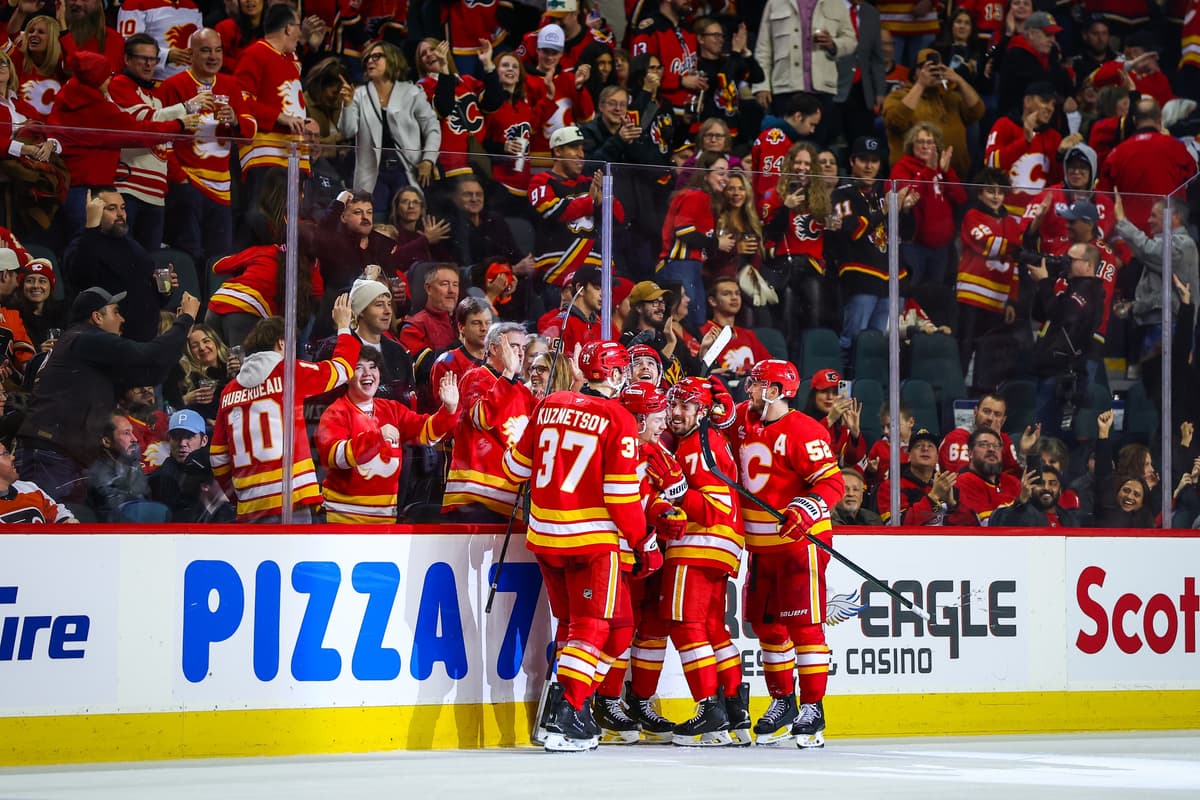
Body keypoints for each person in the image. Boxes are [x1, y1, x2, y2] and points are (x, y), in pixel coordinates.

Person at [501, 341, 647, 752]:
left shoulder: (548, 404)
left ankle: (563, 711)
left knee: (599, 627)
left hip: (545, 538)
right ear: (616, 375)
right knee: (592, 627)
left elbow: (513, 468)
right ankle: (569, 712)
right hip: (591, 542)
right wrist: (643, 541)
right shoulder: (618, 417)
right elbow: (621, 496)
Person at [730, 358, 844, 748]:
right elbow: (720, 422)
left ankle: (813, 707)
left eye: (757, 384)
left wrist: (807, 508)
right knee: (766, 627)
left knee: (804, 626)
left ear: (776, 392)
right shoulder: (745, 418)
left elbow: (832, 484)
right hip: (762, 548)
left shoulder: (804, 430)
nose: (749, 389)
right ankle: (784, 702)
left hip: (800, 545)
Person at [15, 287, 198, 504]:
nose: (122, 319)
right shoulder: (85, 339)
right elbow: (148, 356)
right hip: (49, 455)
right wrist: (185, 318)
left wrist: (181, 333)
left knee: (64, 531)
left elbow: (151, 371)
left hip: (61, 456)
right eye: (116, 311)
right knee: (43, 531)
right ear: (97, 317)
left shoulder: (86, 348)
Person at [210, 295, 360, 522]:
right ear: (282, 343)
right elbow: (342, 369)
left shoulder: (229, 391)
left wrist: (240, 497)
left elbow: (218, 458)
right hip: (292, 501)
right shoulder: (289, 372)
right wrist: (343, 327)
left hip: (250, 506)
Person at [656, 376, 747, 745]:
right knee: (712, 628)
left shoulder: (696, 445)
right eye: (673, 403)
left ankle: (709, 710)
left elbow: (714, 505)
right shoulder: (709, 440)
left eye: (686, 405)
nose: (676, 412)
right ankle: (734, 707)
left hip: (698, 544)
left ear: (703, 411)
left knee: (684, 624)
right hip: (722, 546)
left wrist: (676, 492)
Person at [47, 50, 198, 236]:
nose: (111, 80)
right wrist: (179, 124)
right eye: (107, 76)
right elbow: (138, 133)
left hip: (73, 186)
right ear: (96, 80)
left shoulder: (72, 93)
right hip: (85, 191)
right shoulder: (94, 108)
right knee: (87, 247)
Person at [316, 348, 459, 524]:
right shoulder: (336, 413)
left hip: (385, 520)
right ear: (347, 376)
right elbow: (335, 457)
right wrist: (376, 438)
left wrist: (448, 410)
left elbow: (426, 433)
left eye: (373, 367)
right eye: (359, 367)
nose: (368, 373)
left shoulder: (392, 409)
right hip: (342, 519)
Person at [158, 27, 256, 272]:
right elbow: (161, 137)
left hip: (222, 188)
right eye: (205, 51)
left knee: (219, 260)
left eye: (218, 50)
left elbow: (250, 131)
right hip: (188, 184)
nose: (213, 56)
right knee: (187, 256)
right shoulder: (173, 85)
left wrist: (235, 119)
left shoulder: (230, 85)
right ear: (190, 54)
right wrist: (179, 180)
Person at [442, 322, 534, 523]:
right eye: (514, 346)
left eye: (523, 348)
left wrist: (576, 385)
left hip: (510, 504)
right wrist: (508, 374)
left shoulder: (523, 392)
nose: (520, 353)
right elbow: (482, 418)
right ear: (493, 348)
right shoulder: (475, 377)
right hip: (474, 499)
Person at [61, 188, 177, 343]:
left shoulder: (133, 246)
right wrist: (91, 227)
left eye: (122, 208)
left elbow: (147, 296)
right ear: (94, 212)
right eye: (111, 208)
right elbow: (81, 277)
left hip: (144, 341)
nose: (120, 214)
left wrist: (163, 290)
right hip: (108, 343)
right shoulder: (82, 245)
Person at [339, 41, 440, 213]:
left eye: (377, 56)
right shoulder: (359, 95)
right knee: (375, 222)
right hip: (373, 173)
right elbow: (347, 131)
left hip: (405, 169)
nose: (370, 61)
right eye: (368, 58)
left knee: (408, 220)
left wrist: (428, 160)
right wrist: (348, 104)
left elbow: (432, 128)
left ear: (392, 60)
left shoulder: (412, 92)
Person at [528, 124, 622, 303]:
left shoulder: (590, 182)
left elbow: (620, 219)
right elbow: (553, 210)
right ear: (557, 151)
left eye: (582, 149)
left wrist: (601, 199)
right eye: (573, 147)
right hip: (559, 276)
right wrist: (590, 200)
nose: (581, 154)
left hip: (597, 277)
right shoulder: (541, 180)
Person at [234, 4, 317, 197]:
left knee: (291, 222)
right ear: (288, 28)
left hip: (294, 152)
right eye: (298, 26)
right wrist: (279, 117)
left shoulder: (291, 59)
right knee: (264, 218)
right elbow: (240, 100)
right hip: (266, 152)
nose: (300, 33)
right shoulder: (255, 54)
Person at [954, 168, 1028, 381]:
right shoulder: (972, 216)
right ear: (979, 193)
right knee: (964, 346)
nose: (996, 196)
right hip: (970, 294)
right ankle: (958, 390)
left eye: (1000, 192)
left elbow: (1013, 264)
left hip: (997, 299)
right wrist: (1013, 247)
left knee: (988, 354)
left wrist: (1012, 300)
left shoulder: (1010, 223)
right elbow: (986, 244)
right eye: (990, 191)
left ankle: (980, 394)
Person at [1028, 243, 1107, 441]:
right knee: (1041, 432)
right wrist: (1046, 282)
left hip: (1063, 375)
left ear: (1089, 266)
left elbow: (1066, 317)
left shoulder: (1089, 291)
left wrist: (1046, 283)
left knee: (1048, 437)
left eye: (1071, 260)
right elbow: (1041, 313)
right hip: (1049, 371)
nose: (1066, 263)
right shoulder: (1071, 288)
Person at [1113, 192, 1199, 368]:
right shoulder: (1169, 244)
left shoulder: (1184, 244)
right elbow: (1160, 296)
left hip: (1169, 329)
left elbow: (1147, 250)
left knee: (1161, 389)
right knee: (1152, 389)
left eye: (1154, 215)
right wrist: (1133, 306)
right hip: (1156, 326)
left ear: (1173, 218)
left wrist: (1122, 221)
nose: (1149, 220)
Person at [759, 142, 834, 342]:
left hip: (813, 268)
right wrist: (785, 207)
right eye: (797, 162)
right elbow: (770, 234)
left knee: (814, 317)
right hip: (785, 268)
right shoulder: (775, 195)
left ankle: (811, 365)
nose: (802, 167)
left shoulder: (821, 198)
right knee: (787, 318)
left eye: (807, 163)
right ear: (789, 165)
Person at [830, 136, 897, 354]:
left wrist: (904, 209)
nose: (869, 166)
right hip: (860, 277)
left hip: (887, 280)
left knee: (876, 345)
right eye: (863, 160)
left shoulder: (883, 195)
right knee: (852, 339)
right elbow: (855, 230)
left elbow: (905, 234)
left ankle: (870, 386)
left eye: (874, 161)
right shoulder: (841, 194)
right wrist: (884, 211)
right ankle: (845, 386)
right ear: (852, 162)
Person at [752, 0, 856, 140]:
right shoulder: (775, 2)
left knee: (817, 147)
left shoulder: (836, 3)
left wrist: (833, 44)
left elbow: (851, 41)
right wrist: (761, 85)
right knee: (784, 145)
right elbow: (763, 49)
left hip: (822, 89)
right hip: (785, 88)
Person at [657, 151, 735, 329]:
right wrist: (717, 243)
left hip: (690, 266)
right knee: (684, 319)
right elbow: (684, 232)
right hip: (678, 265)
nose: (726, 178)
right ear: (705, 174)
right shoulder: (695, 196)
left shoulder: (706, 199)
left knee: (696, 321)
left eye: (728, 173)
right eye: (720, 172)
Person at [882, 48, 983, 181]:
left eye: (937, 68)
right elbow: (895, 121)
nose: (933, 72)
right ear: (914, 73)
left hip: (953, 179)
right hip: (912, 180)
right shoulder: (898, 96)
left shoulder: (952, 97)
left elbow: (978, 111)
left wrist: (959, 80)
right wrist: (921, 84)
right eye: (925, 68)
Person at [891, 122, 967, 287]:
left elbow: (960, 198)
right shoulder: (902, 167)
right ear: (912, 145)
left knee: (935, 296)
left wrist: (945, 173)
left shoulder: (943, 169)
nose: (925, 146)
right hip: (913, 245)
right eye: (920, 142)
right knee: (913, 293)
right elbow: (907, 198)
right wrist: (929, 171)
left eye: (930, 142)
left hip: (942, 248)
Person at [984, 83, 1076, 214]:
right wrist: (1024, 142)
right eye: (1045, 101)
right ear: (1027, 101)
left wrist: (1060, 155)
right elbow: (991, 164)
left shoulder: (1054, 137)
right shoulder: (1004, 125)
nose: (1050, 108)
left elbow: (1057, 183)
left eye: (1053, 104)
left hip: (1038, 214)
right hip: (1003, 212)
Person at [414, 38, 488, 182]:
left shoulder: (466, 81)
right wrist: (444, 71)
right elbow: (443, 108)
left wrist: (488, 65)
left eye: (433, 49)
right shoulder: (422, 87)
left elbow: (492, 104)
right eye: (423, 54)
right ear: (421, 63)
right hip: (450, 165)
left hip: (479, 161)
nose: (429, 54)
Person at [86, 413, 171, 522]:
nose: (134, 439)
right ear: (107, 441)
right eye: (126, 433)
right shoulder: (100, 476)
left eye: (132, 432)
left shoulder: (131, 463)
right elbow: (118, 517)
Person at [995, 12, 1074, 121]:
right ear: (1031, 34)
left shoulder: (1050, 54)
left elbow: (1064, 82)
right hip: (1018, 123)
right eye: (1048, 35)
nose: (1053, 40)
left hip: (1046, 120)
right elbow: (1042, 85)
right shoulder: (1016, 55)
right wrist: (1062, 99)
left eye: (1053, 35)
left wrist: (1070, 96)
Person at [746, 92, 823, 200]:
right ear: (798, 116)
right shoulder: (776, 139)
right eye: (811, 124)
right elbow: (769, 186)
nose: (812, 130)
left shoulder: (786, 139)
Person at [832, 0, 886, 147]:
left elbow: (877, 58)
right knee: (830, 142)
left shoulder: (871, 12)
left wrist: (880, 91)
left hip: (863, 90)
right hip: (832, 86)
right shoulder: (828, 6)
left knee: (861, 143)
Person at [147, 408, 215, 522]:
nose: (182, 443)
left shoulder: (216, 468)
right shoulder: (161, 478)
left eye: (189, 436)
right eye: (176, 436)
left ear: (204, 440)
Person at [945, 428, 1021, 526]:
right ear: (970, 453)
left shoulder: (1012, 482)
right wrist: (1020, 504)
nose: (991, 449)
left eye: (996, 446)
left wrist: (1033, 456)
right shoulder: (963, 483)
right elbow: (984, 525)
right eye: (983, 445)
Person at [939, 392, 1028, 475]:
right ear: (975, 412)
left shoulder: (1004, 440)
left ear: (1003, 420)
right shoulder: (958, 437)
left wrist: (1026, 454)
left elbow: (1015, 478)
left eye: (997, 414)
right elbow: (963, 479)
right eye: (986, 411)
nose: (990, 418)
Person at [879, 427, 955, 524]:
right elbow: (897, 525)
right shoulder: (891, 487)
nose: (925, 448)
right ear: (909, 456)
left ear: (937, 458)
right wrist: (933, 497)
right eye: (919, 446)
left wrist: (951, 504)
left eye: (930, 446)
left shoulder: (945, 486)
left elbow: (965, 528)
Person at [700, 277, 770, 376]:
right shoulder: (704, 332)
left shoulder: (748, 335)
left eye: (737, 293)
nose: (734, 297)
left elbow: (768, 365)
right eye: (726, 294)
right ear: (712, 301)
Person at [165, 323, 233, 423]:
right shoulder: (186, 378)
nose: (202, 347)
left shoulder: (232, 366)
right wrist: (186, 400)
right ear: (190, 352)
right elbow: (171, 412)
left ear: (216, 343)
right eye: (195, 346)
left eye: (206, 341)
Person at [397, 264, 459, 371]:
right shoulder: (413, 327)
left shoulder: (464, 321)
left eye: (455, 285)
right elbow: (427, 365)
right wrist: (460, 348)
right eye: (444, 284)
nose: (451, 291)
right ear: (429, 288)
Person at [0, 438, 77, 523]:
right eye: (5, 453)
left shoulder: (30, 489)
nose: (12, 457)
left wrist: (66, 521)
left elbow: (59, 513)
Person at [803, 369, 867, 468]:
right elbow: (807, 453)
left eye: (835, 392)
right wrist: (830, 419)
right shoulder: (800, 421)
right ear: (814, 395)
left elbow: (852, 462)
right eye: (824, 391)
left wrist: (855, 435)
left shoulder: (844, 423)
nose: (830, 397)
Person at [989, 466, 1084, 527]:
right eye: (1041, 483)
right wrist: (1021, 501)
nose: (1046, 488)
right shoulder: (1020, 513)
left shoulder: (1070, 520)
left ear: (1060, 490)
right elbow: (1005, 524)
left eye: (1053, 484)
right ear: (1031, 487)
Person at [430, 297, 491, 389]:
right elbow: (442, 402)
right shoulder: (447, 361)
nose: (484, 328)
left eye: (488, 323)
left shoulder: (498, 360)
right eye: (476, 323)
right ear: (461, 327)